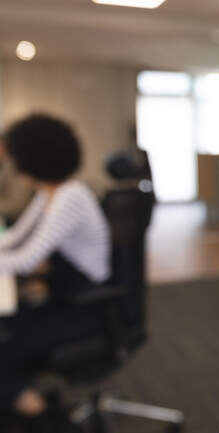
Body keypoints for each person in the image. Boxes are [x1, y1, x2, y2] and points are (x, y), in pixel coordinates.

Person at [0, 114, 111, 428]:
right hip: (65, 297)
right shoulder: (52, 192)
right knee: (6, 326)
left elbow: (26, 259)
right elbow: (14, 240)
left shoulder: (70, 197)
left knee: (4, 347)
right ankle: (26, 399)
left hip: (85, 308)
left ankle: (48, 418)